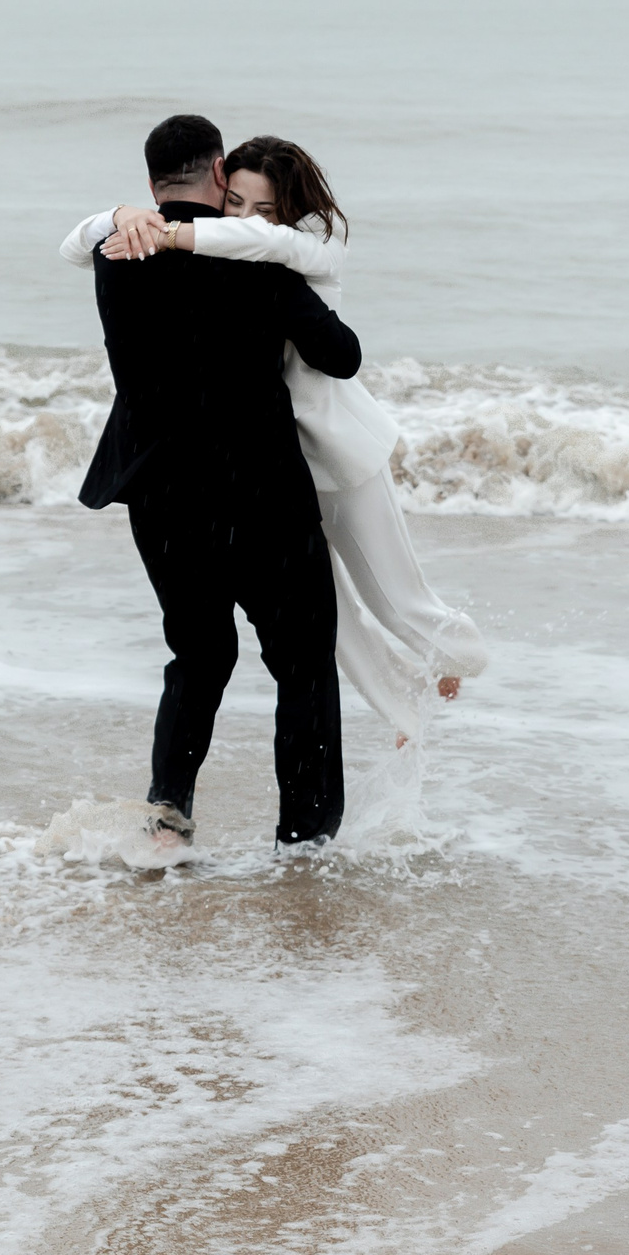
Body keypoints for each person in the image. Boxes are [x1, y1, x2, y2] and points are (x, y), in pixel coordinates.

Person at [60, 134, 489, 749]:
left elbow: (259, 244)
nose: (240, 219)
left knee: (397, 598)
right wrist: (119, 216)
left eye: (260, 208)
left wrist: (166, 228)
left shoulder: (305, 249)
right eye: (232, 201)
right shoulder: (236, 256)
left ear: (283, 213)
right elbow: (78, 246)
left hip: (345, 450)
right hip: (287, 464)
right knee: (333, 627)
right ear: (216, 183)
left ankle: (461, 656)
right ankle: (407, 712)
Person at [77, 114, 365, 851]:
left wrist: (114, 218)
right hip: (260, 491)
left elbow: (83, 239)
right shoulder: (259, 262)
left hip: (163, 496)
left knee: (199, 656)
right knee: (302, 666)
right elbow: (341, 356)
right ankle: (305, 840)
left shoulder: (115, 253)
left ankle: (168, 815)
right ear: (218, 177)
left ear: (150, 186)